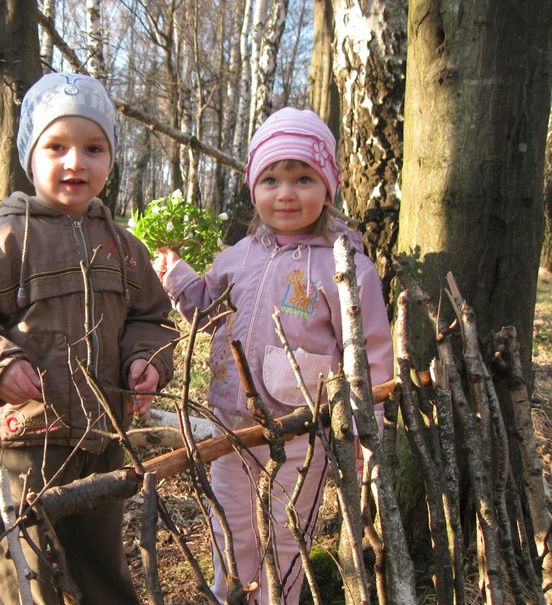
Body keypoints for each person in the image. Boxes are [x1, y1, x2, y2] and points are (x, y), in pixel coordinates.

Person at [0, 72, 176, 605]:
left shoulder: (123, 246)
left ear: (110, 159)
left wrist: (146, 361)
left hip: (103, 437)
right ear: (30, 155)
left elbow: (153, 318)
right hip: (26, 439)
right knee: (18, 567)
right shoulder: (4, 238)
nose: (75, 163)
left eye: (93, 148)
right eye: (57, 147)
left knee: (102, 568)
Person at [153, 107, 393, 604]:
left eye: (303, 178)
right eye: (271, 179)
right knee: (231, 522)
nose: (286, 193)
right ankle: (231, 596)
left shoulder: (346, 264)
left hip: (301, 431)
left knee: (286, 533)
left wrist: (368, 423)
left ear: (328, 186)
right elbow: (207, 306)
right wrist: (177, 276)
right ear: (252, 187)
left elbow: (368, 347)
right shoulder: (239, 254)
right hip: (231, 423)